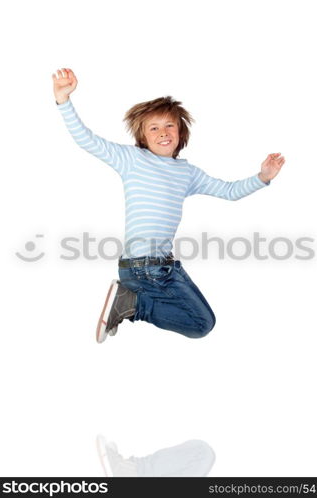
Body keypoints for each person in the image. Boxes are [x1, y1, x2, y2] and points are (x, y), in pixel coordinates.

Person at [52, 67, 286, 344]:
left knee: (205, 321)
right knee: (200, 325)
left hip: (165, 265)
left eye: (169, 126)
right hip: (143, 267)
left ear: (181, 131)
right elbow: (86, 139)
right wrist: (64, 101)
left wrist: (263, 177)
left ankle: (131, 301)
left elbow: (229, 191)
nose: (162, 132)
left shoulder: (188, 173)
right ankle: (133, 305)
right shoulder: (132, 159)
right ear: (143, 136)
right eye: (154, 128)